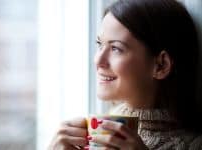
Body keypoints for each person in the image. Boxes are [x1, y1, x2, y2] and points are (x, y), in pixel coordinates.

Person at [48, 0, 202, 149]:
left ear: (161, 65)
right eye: (99, 44)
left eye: (116, 48)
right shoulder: (94, 132)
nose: (98, 60)